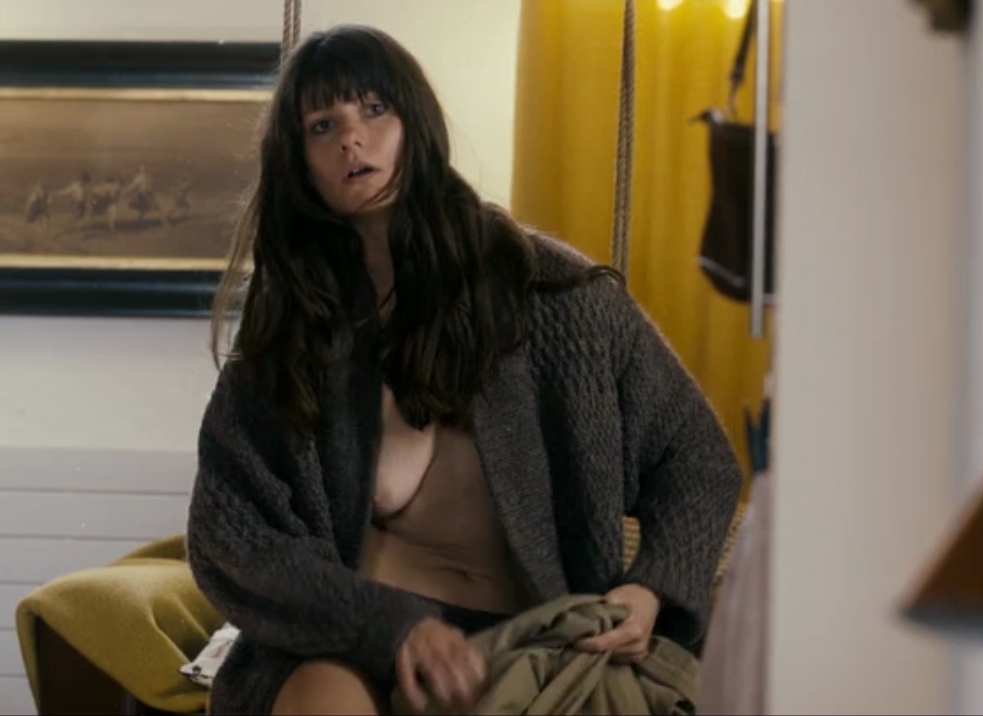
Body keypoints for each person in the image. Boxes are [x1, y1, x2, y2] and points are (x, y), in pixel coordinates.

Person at [186, 23, 744, 716]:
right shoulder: (288, 336)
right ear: (299, 162)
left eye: (375, 109)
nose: (352, 139)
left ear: (415, 123)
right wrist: (387, 626)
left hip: (530, 644)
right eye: (322, 125)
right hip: (352, 640)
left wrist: (653, 586)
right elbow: (231, 537)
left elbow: (697, 459)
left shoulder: (550, 295)